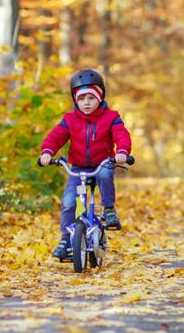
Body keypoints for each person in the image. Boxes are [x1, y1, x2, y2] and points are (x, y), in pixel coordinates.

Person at [39, 69, 132, 258]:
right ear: (75, 100)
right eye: (81, 99)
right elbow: (55, 137)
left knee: (105, 175)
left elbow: (122, 135)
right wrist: (47, 152)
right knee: (68, 202)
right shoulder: (70, 120)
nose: (86, 102)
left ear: (100, 97)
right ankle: (66, 238)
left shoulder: (111, 117)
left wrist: (122, 152)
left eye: (91, 97)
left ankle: (108, 209)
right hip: (79, 168)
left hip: (104, 162)